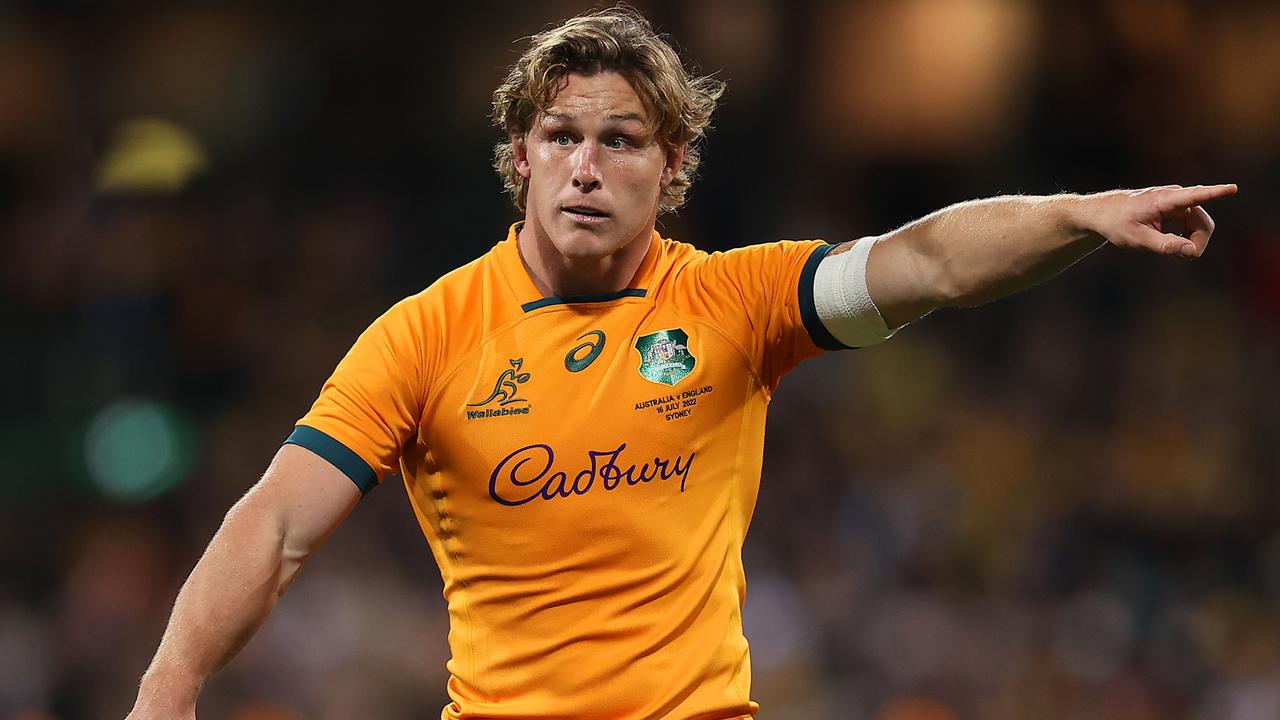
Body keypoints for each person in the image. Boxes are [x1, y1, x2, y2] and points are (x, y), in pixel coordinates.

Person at [126, 6, 1236, 719]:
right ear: (519, 159)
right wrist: (169, 688)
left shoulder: (732, 303)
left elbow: (930, 263)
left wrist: (1074, 214)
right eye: (561, 136)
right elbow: (274, 527)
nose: (585, 167)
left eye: (620, 140)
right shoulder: (427, 332)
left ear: (672, 168)